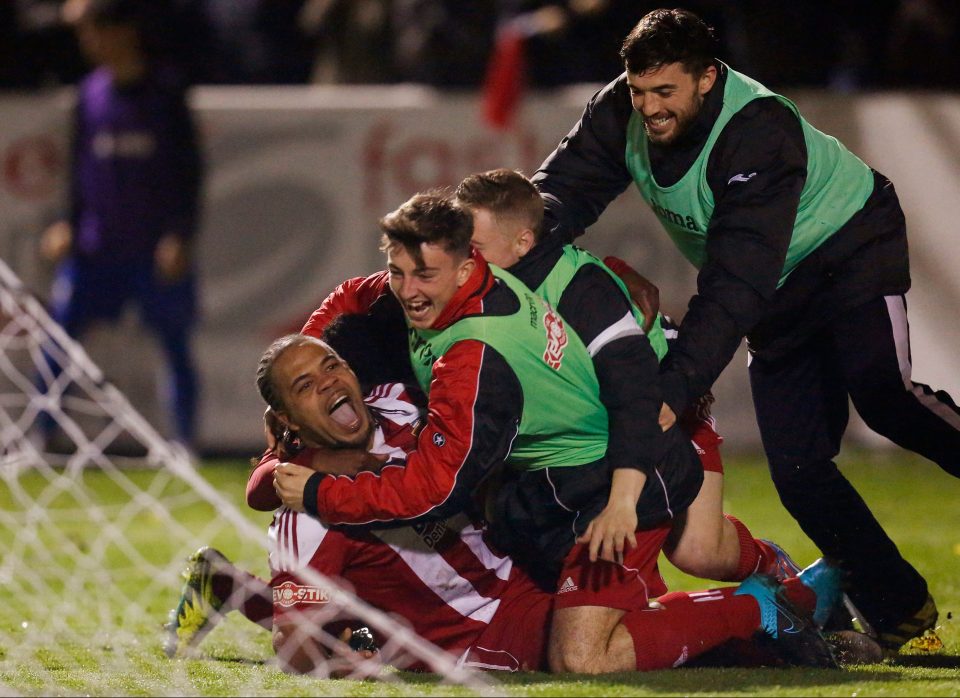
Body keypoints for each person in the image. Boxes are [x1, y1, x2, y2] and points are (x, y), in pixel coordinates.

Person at [530, 7, 960, 650]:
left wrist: (671, 393)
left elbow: (734, 287)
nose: (647, 108)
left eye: (664, 92)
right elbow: (558, 195)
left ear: (708, 78)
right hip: (772, 284)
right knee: (797, 471)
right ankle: (902, 611)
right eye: (639, 90)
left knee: (885, 395)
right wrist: (501, 247)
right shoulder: (621, 105)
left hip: (848, 252)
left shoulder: (758, 130)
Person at [272, 193, 839, 671]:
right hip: (573, 474)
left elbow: (435, 489)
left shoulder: (474, 355)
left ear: (474, 263)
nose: (407, 288)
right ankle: (780, 587)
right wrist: (299, 360)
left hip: (635, 448)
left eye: (423, 274)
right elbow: (354, 296)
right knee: (669, 577)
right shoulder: (449, 289)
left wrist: (318, 492)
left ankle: (772, 603)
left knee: (592, 648)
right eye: (398, 273)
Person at [167, 329, 846, 672]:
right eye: (305, 386)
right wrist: (365, 656)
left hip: (529, 558)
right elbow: (297, 647)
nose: (329, 382)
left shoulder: (401, 402)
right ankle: (784, 600)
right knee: (596, 646)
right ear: (284, 423)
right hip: (487, 629)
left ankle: (782, 590)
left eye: (332, 366)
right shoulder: (305, 508)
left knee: (621, 616)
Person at [455, 167, 795, 585]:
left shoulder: (575, 290)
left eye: (473, 247)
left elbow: (631, 397)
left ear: (523, 242)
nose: (461, 259)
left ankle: (779, 577)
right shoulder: (492, 283)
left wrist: (620, 498)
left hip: (660, 404)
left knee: (697, 552)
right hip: (597, 432)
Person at [40, 0, 202, 447]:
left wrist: (179, 235)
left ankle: (183, 445)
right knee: (56, 340)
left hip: (152, 251)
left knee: (174, 346)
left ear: (124, 30)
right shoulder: (88, 95)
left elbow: (189, 172)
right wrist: (68, 224)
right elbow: (78, 173)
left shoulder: (165, 93)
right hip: (95, 248)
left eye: (94, 30)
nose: (88, 42)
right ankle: (40, 440)